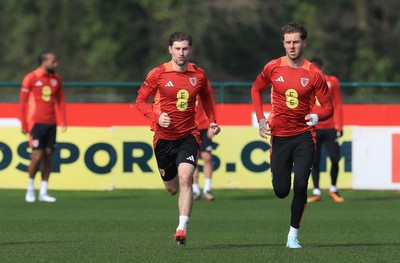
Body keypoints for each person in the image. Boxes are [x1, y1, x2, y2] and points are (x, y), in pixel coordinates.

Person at [251, 22, 334, 249]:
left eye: (296, 41)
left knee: (300, 185)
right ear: (283, 43)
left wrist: (316, 117)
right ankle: (279, 178)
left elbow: (328, 108)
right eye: (287, 42)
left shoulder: (314, 73)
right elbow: (255, 89)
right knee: (281, 191)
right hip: (280, 136)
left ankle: (293, 235)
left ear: (304, 42)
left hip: (305, 136)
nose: (292, 46)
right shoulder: (273, 67)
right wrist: (261, 119)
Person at [135, 32, 220, 245]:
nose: (181, 53)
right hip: (163, 139)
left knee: (186, 178)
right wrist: (156, 117)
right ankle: (180, 217)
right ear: (170, 49)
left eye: (185, 49)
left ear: (190, 50)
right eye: (177, 48)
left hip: (188, 135)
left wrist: (212, 120)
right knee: (172, 188)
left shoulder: (198, 75)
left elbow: (207, 98)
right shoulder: (158, 74)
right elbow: (140, 101)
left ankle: (181, 228)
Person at [20, 51, 67, 203]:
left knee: (48, 155)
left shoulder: (56, 79)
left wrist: (63, 120)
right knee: (37, 156)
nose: (56, 64)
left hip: (51, 123)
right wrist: (24, 123)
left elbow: (60, 101)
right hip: (36, 123)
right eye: (53, 62)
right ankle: (30, 189)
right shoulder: (31, 78)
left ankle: (44, 191)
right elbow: (23, 103)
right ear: (44, 62)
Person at [308, 57, 344, 203]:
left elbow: (338, 104)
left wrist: (340, 125)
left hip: (329, 128)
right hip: (314, 127)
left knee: (335, 158)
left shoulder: (332, 81)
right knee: (314, 160)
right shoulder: (306, 81)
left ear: (322, 68)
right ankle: (316, 191)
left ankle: (333, 189)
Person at [189, 60, 216, 202]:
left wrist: (213, 123)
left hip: (204, 126)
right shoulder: (182, 82)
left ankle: (207, 189)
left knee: (207, 157)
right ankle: (195, 190)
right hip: (189, 127)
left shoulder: (203, 82)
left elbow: (210, 103)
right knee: (192, 160)